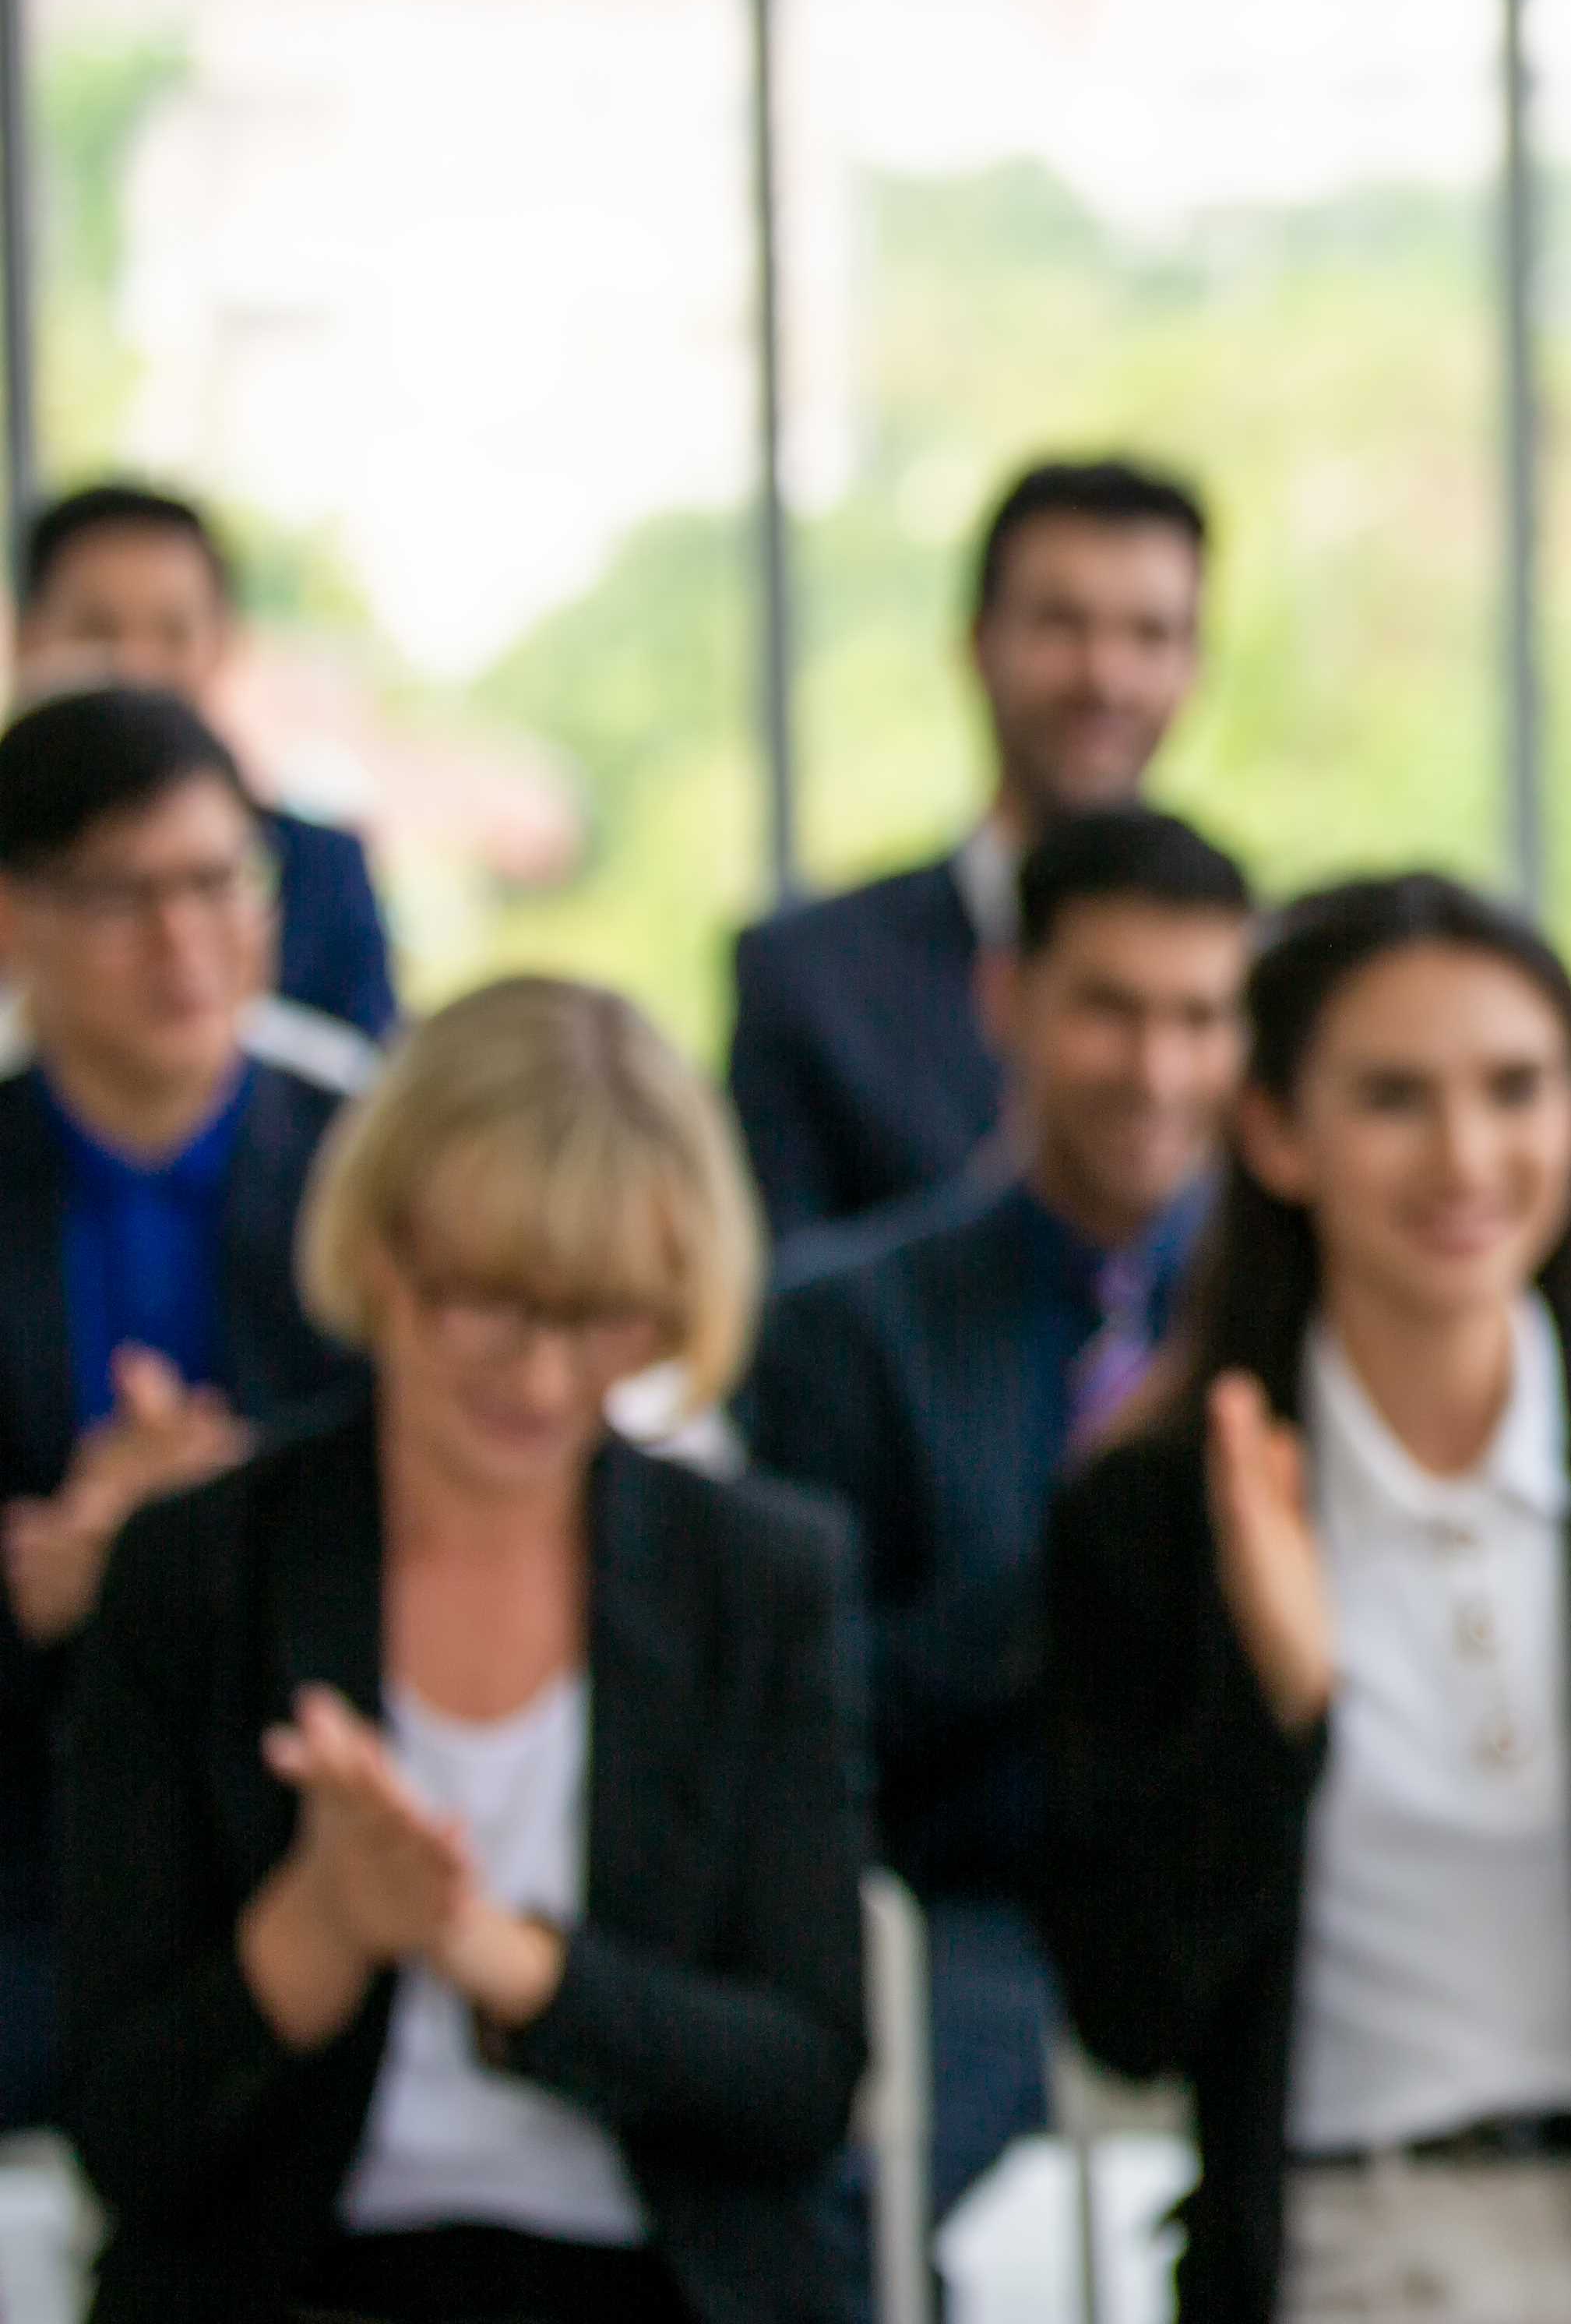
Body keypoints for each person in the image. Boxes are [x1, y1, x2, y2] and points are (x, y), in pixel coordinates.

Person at [1036, 876, 1571, 2324]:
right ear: (1274, 1133)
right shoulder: (1157, 1512)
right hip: (1335, 2254)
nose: (1468, 1154)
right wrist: (1280, 1715)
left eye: (1516, 1089)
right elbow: (1128, 2015)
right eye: (1393, 1099)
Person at [55, 975, 867, 2323]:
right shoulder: (201, 1573)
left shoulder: (757, 1575)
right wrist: (320, 1928)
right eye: (488, 1303)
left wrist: (510, 1964)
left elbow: (803, 2087)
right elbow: (125, 2132)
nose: (542, 1377)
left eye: (603, 1316)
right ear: (380, 1250)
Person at [738, 802, 1252, 2247]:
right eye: (1110, 1011)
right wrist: (1085, 1543)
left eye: (1201, 1019)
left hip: (1272, 1891)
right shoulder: (845, 1329)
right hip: (978, 1906)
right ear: (1005, 1001)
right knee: (827, 2216)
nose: (1158, 1071)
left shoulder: (1299, 1319)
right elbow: (814, 1716)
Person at [0, 684, 378, 2125]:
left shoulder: (373, 1177)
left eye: (219, 882)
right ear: (14, 918)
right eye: (122, 898)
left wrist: (198, 1536)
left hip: (316, 1820)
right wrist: (41, 1586)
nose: (184, 941)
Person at [727, 457, 1208, 1243]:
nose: (1105, 677)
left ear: (1194, 666)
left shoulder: (1271, 979)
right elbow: (776, 1294)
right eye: (1062, 625)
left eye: (1149, 635)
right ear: (980, 644)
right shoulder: (810, 983)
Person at [16, 478, 401, 1044]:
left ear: (222, 645)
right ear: (27, 641)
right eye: (97, 631)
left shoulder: (321, 873)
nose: (137, 669)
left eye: (172, 634)